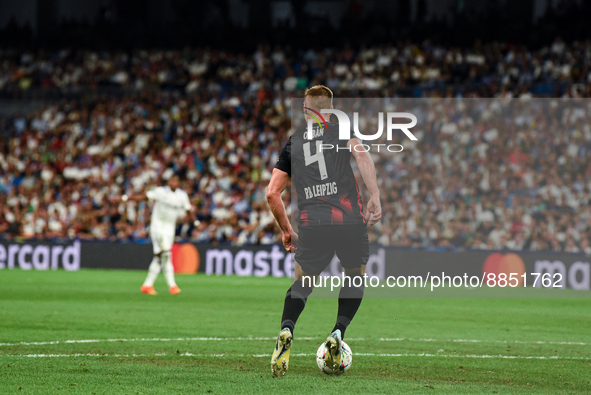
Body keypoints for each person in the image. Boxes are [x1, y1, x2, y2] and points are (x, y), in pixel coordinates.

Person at [266, 85, 382, 376]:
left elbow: (271, 194)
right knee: (355, 276)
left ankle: (286, 329)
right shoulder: (342, 130)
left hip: (312, 223)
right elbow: (363, 157)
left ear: (306, 109)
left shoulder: (294, 142)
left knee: (303, 283)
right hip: (349, 220)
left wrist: (286, 230)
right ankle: (338, 332)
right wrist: (375, 195)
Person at [111, 174, 192, 295]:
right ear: (168, 182)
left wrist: (194, 222)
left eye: (176, 180)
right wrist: (124, 198)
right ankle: (172, 286)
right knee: (166, 253)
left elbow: (188, 210)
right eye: (172, 180)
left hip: (170, 229)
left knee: (161, 256)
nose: (173, 182)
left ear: (179, 183)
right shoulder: (161, 191)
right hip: (157, 227)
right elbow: (142, 197)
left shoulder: (182, 195)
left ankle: (147, 285)